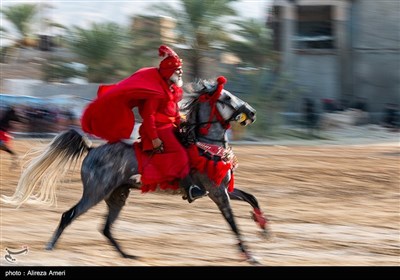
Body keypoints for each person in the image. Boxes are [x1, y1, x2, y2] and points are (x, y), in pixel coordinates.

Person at [81, 45, 206, 202]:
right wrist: (154, 138)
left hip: (170, 126)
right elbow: (149, 116)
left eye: (180, 69)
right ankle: (190, 188)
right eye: (177, 69)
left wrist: (181, 119)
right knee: (180, 154)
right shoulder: (156, 93)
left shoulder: (172, 89)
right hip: (158, 129)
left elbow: (172, 112)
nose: (180, 72)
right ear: (168, 72)